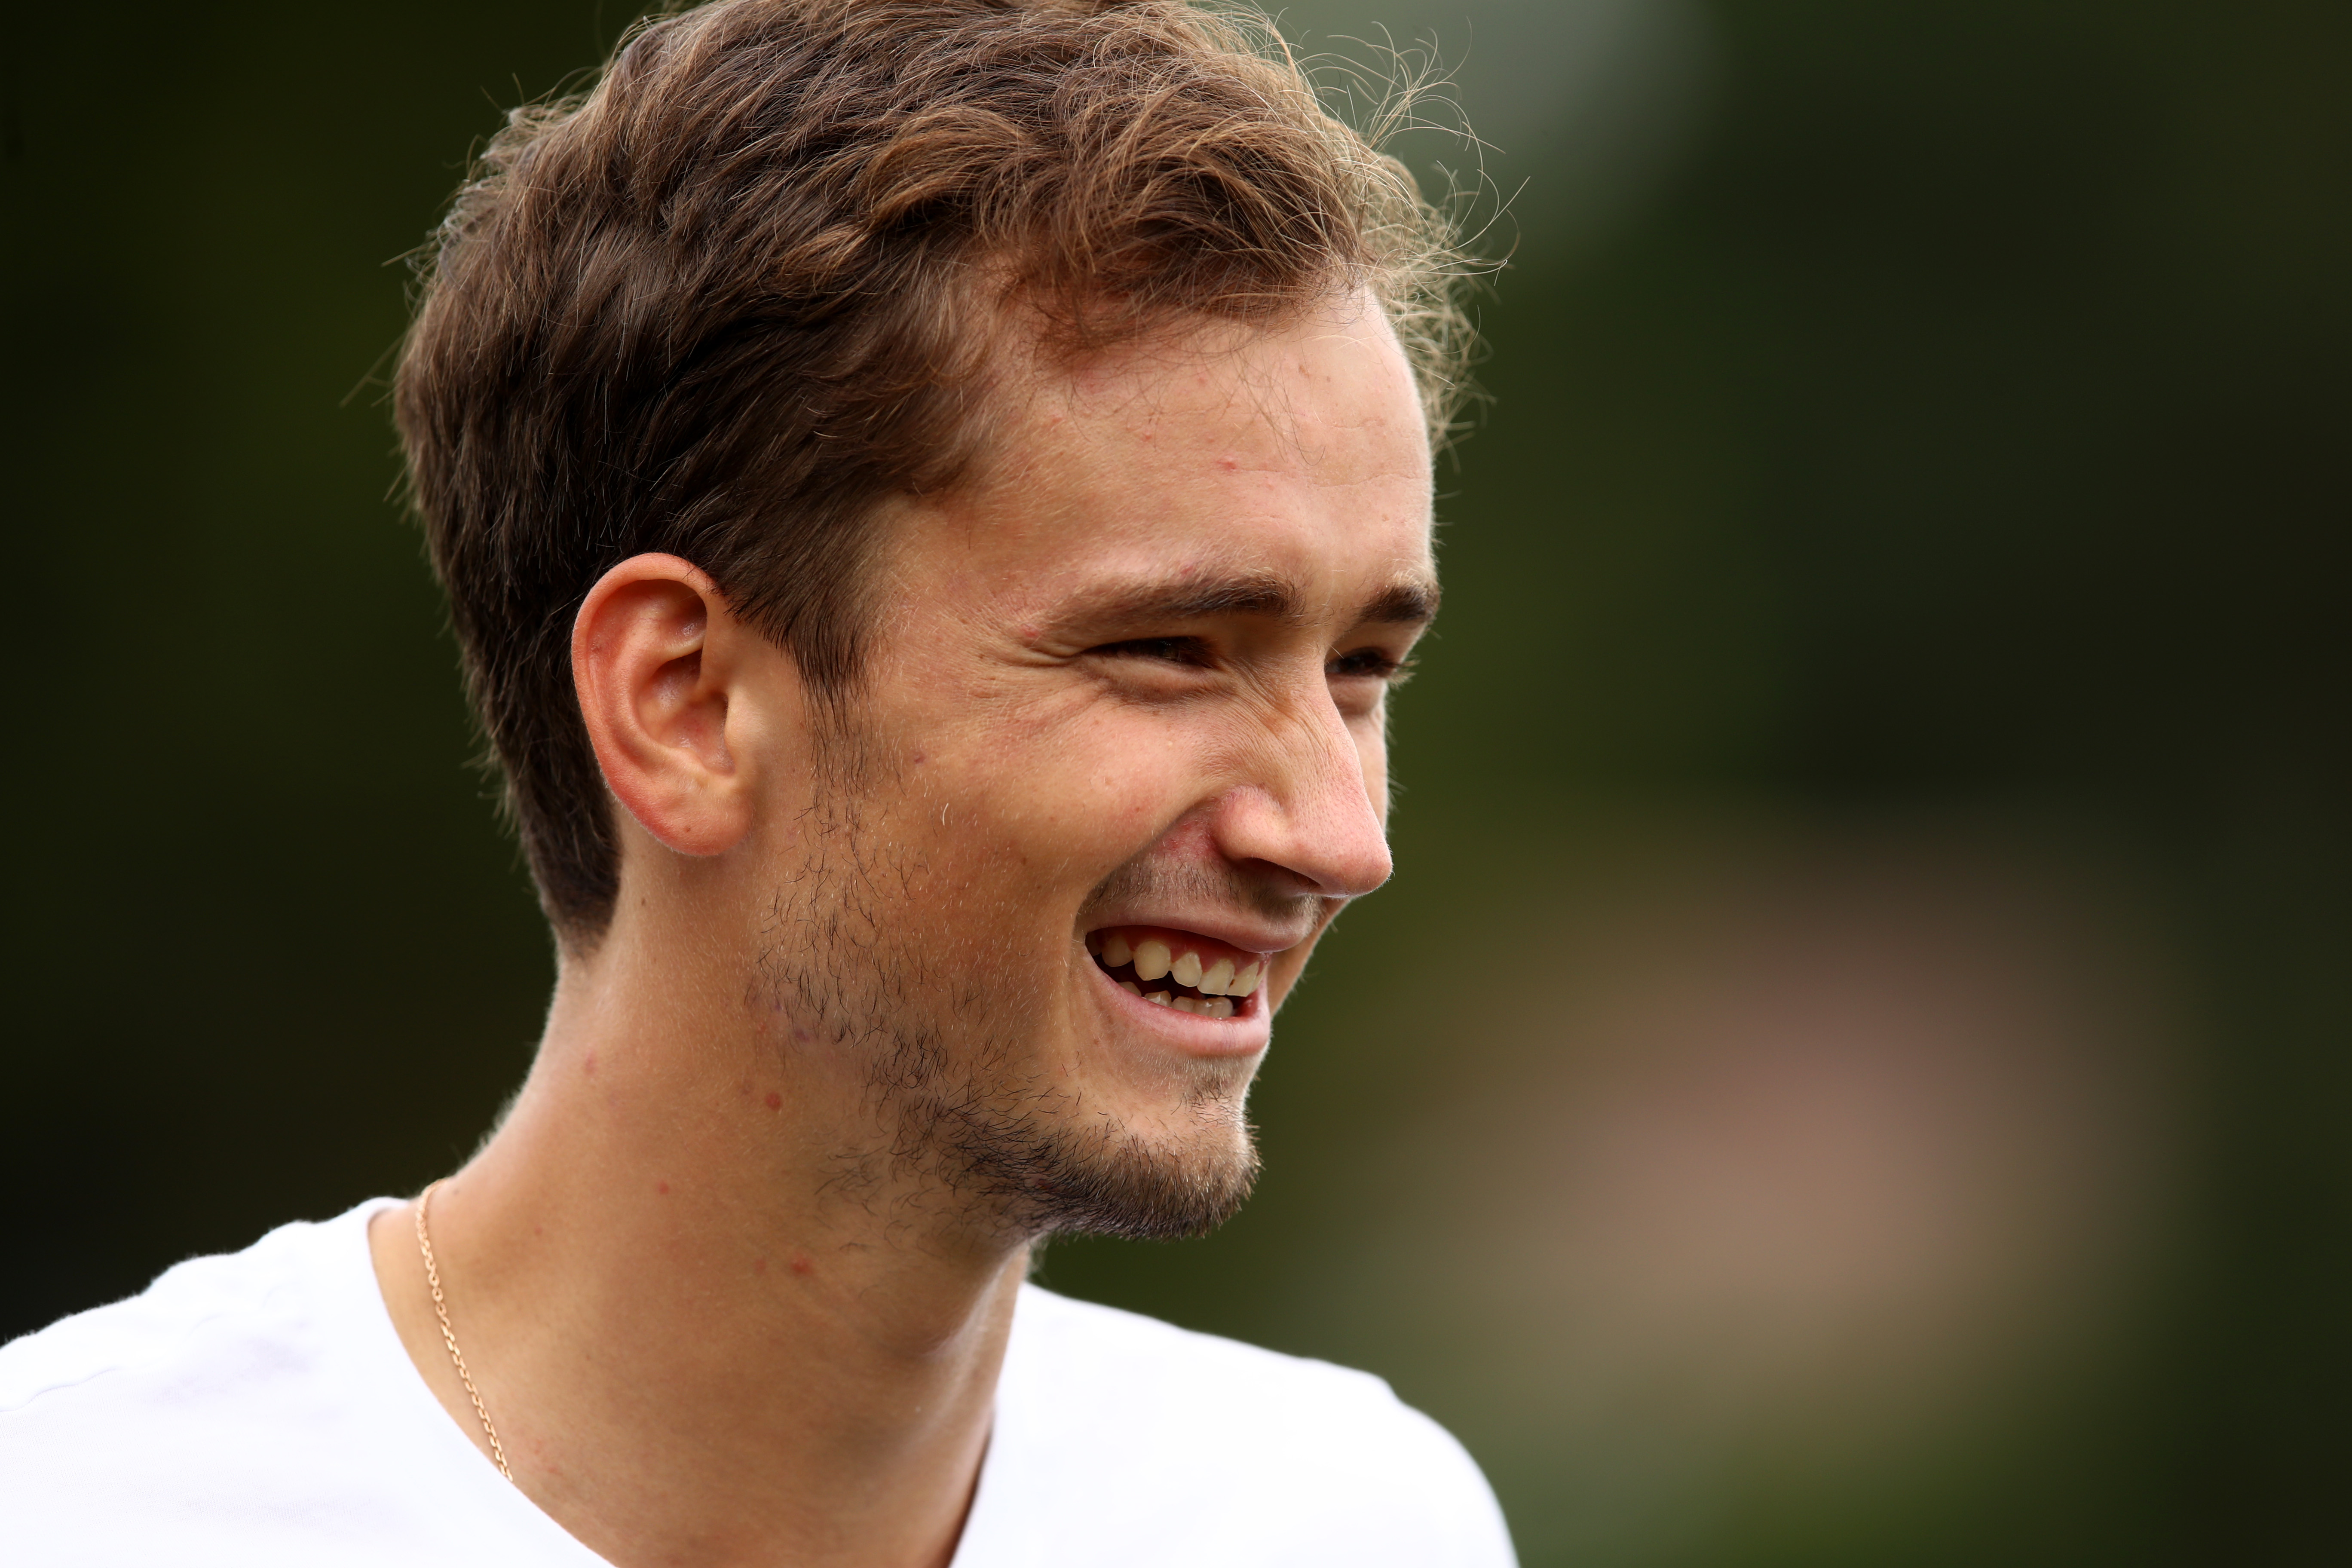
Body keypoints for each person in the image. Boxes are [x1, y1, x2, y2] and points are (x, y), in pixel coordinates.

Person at [0, 2, 1511, 1562]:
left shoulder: (1355, 1519)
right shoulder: (76, 1515)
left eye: (1362, 670)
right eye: (1171, 649)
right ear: (686, 704)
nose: (1337, 835)